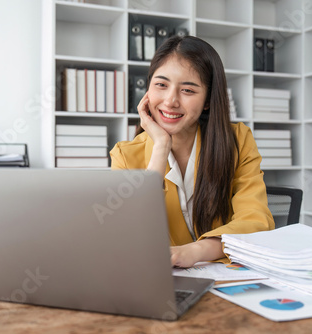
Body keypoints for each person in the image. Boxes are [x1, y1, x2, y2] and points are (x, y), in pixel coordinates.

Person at [110, 35, 274, 268]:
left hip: (227, 274)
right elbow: (128, 236)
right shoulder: (125, 155)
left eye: (187, 90)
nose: (170, 101)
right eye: (161, 85)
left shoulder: (237, 140)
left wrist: (196, 251)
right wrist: (160, 147)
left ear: (207, 100)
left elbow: (257, 221)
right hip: (161, 279)